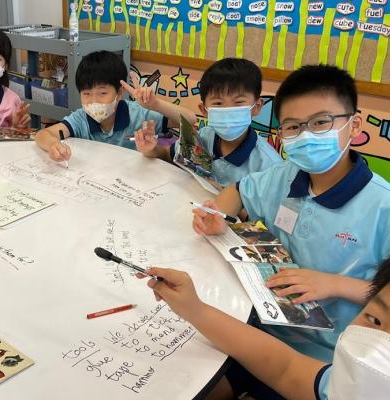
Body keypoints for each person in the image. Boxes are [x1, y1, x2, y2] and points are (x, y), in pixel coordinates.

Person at [192, 65, 390, 363]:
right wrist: (220, 214)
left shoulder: (382, 205)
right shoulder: (284, 175)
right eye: (293, 127)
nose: (306, 135)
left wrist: (335, 284)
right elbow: (239, 190)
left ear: (355, 125)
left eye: (321, 122)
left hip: (327, 355)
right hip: (256, 324)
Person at [139, 258, 390, 399]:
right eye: (375, 320)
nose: (375, 349)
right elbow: (286, 368)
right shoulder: (347, 385)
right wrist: (195, 310)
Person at [135, 58, 281, 187]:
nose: (227, 110)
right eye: (218, 103)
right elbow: (168, 155)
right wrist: (151, 149)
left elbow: (273, 209)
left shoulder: (270, 166)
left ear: (257, 107)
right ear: (204, 110)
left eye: (238, 102)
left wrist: (226, 195)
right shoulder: (204, 136)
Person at [34, 50, 195, 161]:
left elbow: (190, 120)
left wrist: (156, 104)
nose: (94, 101)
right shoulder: (81, 118)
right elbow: (43, 134)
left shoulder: (137, 114)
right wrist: (53, 145)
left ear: (119, 93)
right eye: (86, 94)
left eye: (102, 93)